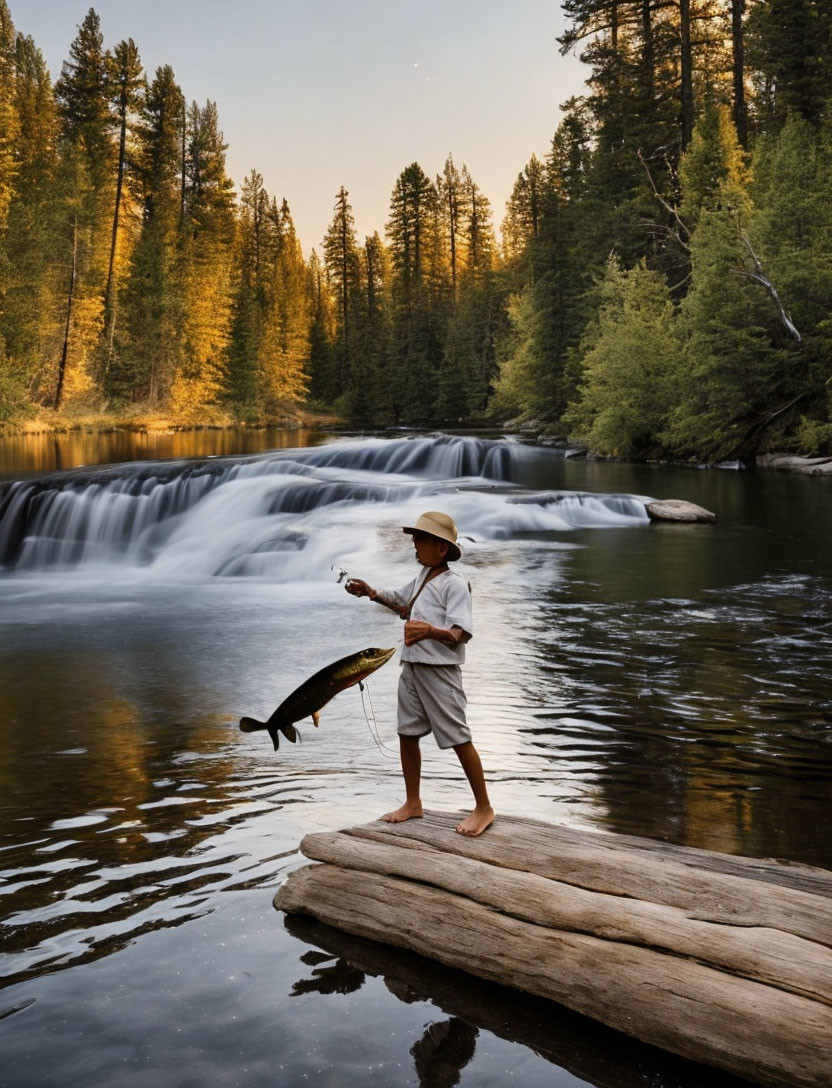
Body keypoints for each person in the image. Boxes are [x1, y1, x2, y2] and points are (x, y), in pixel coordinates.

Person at [345, 511, 494, 837]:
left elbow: (460, 633)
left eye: (421, 539)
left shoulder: (454, 585)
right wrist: (371, 592)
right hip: (412, 668)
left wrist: (429, 631)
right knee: (407, 733)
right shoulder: (425, 576)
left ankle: (484, 807)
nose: (414, 545)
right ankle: (413, 802)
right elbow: (402, 603)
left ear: (441, 548)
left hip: (440, 673)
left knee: (458, 737)